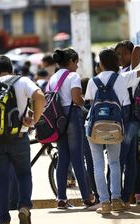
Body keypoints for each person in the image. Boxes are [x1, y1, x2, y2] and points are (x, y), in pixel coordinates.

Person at [0, 55, 45, 224]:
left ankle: (3, 221)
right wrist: (34, 119)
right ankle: (24, 207)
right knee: (24, 175)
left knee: (1, 180)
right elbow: (40, 96)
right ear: (11, 69)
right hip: (19, 138)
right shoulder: (22, 81)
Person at [84, 38, 140, 214]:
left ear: (101, 63)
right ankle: (116, 199)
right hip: (115, 127)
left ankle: (104, 203)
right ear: (116, 61)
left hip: (94, 127)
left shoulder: (93, 81)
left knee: (97, 164)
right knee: (115, 163)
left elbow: (91, 103)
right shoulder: (122, 78)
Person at [49, 48, 95, 209]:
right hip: (72, 117)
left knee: (62, 159)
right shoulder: (73, 76)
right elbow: (76, 99)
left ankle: (61, 198)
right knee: (77, 158)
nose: (77, 66)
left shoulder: (53, 78)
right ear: (71, 61)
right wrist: (87, 105)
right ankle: (87, 197)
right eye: (76, 62)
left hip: (58, 120)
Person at [115, 40, 140, 205]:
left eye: (123, 53)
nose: (120, 57)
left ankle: (128, 194)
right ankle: (133, 193)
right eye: (117, 54)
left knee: (125, 157)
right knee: (130, 158)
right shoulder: (121, 71)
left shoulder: (131, 71)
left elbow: (138, 49)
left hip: (131, 117)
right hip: (126, 117)